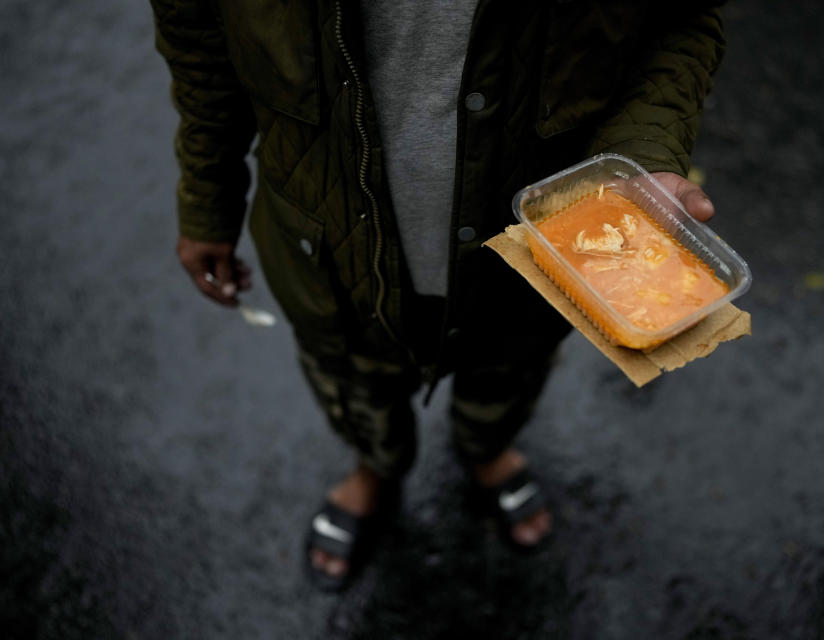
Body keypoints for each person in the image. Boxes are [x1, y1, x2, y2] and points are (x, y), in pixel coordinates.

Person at [150, 0, 725, 590]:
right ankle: (376, 468)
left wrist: (644, 158)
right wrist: (206, 197)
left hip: (531, 252)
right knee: (356, 381)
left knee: (509, 369)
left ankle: (485, 449)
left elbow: (679, 18)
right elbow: (201, 49)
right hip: (329, 251)